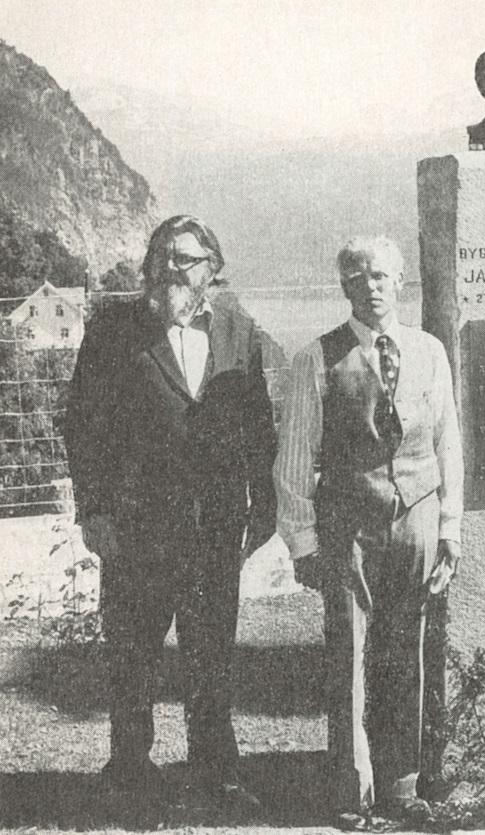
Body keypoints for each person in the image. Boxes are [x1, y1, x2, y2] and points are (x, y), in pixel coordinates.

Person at [64, 215, 277, 814]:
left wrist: (263, 503)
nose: (169, 268)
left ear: (213, 267)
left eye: (184, 258)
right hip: (137, 528)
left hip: (214, 526)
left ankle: (216, 773)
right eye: (160, 255)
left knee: (212, 653)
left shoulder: (238, 330)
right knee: (133, 653)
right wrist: (95, 508)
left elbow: (257, 424)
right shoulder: (114, 330)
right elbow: (83, 425)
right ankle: (129, 771)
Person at [273, 236, 463, 822]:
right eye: (357, 276)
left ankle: (402, 786)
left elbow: (447, 444)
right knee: (349, 657)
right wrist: (302, 542)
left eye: (380, 275)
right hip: (349, 525)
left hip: (419, 519)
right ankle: (351, 791)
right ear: (344, 287)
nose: (370, 286)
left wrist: (450, 529)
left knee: (407, 651)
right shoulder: (317, 358)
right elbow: (295, 460)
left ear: (400, 280)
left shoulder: (430, 351)